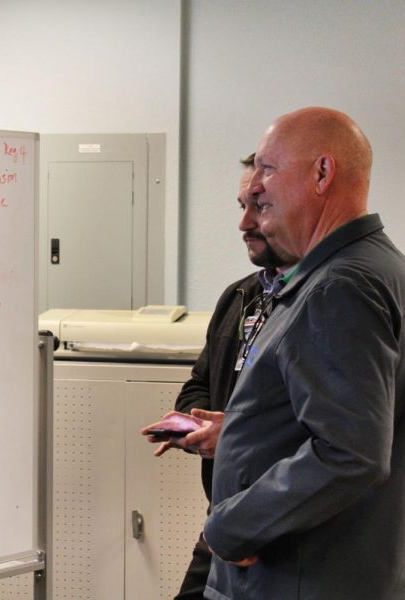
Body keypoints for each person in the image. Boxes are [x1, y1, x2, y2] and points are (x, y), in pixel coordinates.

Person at [203, 108, 405, 599]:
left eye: (267, 167)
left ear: (322, 173)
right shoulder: (377, 268)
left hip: (301, 580)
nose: (257, 185)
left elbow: (349, 453)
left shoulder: (340, 285)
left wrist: (233, 527)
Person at [141, 154, 293, 599]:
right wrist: (200, 423)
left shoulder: (320, 299)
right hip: (225, 515)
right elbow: (198, 384)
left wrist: (235, 433)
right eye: (241, 205)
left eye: (260, 207)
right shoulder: (240, 297)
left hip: (279, 521)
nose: (245, 222)